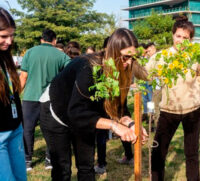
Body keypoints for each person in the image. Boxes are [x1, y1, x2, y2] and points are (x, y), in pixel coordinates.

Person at [39, 28, 148, 181]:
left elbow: (119, 108)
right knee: (62, 169)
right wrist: (114, 126)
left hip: (85, 115)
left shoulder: (121, 71)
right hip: (56, 112)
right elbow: (76, 112)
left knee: (86, 166)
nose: (129, 62)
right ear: (113, 52)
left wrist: (130, 124)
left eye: (133, 58)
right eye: (125, 57)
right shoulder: (88, 67)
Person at [146, 17, 200, 181]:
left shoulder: (196, 56)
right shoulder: (161, 57)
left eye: (185, 38)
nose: (181, 40)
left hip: (192, 111)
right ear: (173, 35)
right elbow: (146, 74)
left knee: (192, 154)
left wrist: (193, 90)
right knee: (158, 152)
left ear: (190, 40)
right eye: (178, 36)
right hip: (168, 110)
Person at [19, 29, 70, 171]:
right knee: (50, 129)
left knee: (28, 130)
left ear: (41, 39)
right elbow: (70, 73)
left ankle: (27, 160)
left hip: (30, 97)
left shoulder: (30, 52)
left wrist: (16, 96)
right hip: (51, 98)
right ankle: (49, 160)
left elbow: (23, 77)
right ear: (54, 41)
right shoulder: (60, 55)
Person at [94, 36, 135, 175]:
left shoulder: (123, 66)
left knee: (125, 127)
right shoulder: (99, 67)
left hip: (118, 103)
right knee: (101, 133)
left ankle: (129, 155)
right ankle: (101, 163)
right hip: (103, 104)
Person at [0, 7, 27, 181]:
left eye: (12, 35)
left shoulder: (5, 57)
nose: (9, 41)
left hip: (15, 129)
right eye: (3, 36)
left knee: (20, 178)